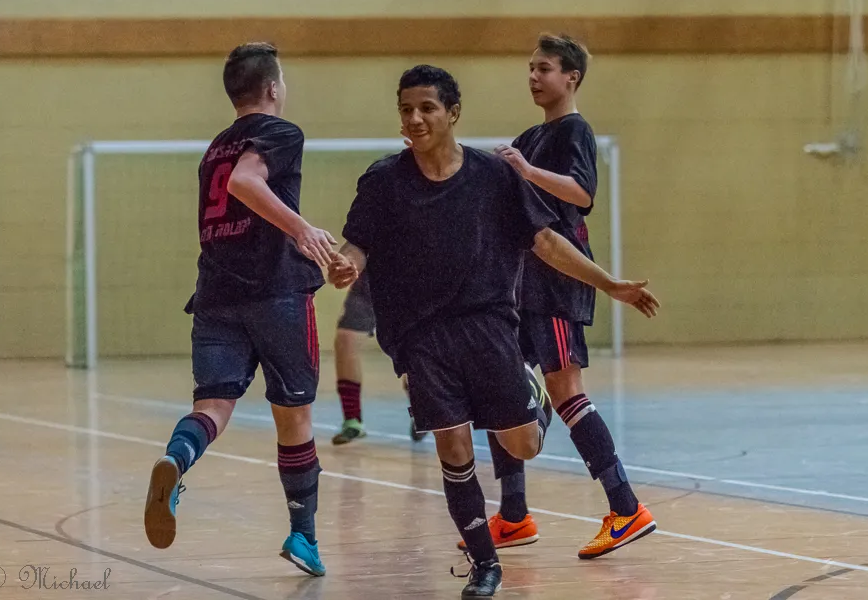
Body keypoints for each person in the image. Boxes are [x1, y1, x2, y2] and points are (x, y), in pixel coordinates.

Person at [327, 64, 659, 597]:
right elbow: (358, 244)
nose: (415, 119)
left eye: (427, 108)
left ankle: (531, 395)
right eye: (406, 109)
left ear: (453, 113)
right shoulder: (383, 181)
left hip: (488, 326)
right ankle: (485, 565)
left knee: (523, 445)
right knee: (453, 444)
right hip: (419, 335)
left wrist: (607, 282)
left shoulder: (492, 175)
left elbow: (545, 241)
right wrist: (346, 265)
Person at [142, 42, 335, 577]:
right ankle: (303, 535)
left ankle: (176, 459)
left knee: (213, 408)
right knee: (294, 416)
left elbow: (236, 196)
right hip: (275, 295)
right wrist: (302, 229)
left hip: (216, 296)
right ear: (273, 87)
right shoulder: (280, 132)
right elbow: (245, 183)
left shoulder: (215, 148)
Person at [466, 33, 657, 560]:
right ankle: (513, 516)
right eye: (530, 67)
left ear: (571, 77)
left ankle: (626, 507)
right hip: (520, 285)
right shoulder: (530, 135)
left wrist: (526, 171)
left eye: (544, 68)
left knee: (566, 390)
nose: (533, 76)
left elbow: (582, 192)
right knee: (501, 392)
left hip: (556, 281)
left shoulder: (575, 131)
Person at [331, 271, 427, 445]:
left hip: (412, 280)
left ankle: (421, 413)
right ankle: (352, 420)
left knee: (412, 348)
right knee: (346, 339)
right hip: (370, 281)